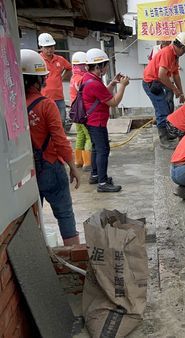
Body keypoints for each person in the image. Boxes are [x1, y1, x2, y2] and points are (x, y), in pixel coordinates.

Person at [21, 49, 81, 246]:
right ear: (38, 79)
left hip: (26, 173)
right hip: (50, 166)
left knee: (32, 220)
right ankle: (73, 256)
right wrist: (73, 167)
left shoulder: (14, 108)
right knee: (64, 214)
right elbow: (60, 140)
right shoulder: (46, 105)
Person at [83, 48, 130, 193]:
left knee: (97, 148)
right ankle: (102, 183)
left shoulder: (89, 78)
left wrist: (113, 83)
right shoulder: (94, 83)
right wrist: (122, 86)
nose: (107, 67)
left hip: (92, 120)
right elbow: (114, 102)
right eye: (105, 65)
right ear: (98, 67)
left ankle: (95, 175)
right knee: (103, 150)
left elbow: (102, 95)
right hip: (96, 121)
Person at [142, 32, 185, 149]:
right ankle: (163, 139)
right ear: (183, 48)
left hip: (160, 82)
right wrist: (174, 89)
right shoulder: (167, 53)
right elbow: (161, 75)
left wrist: (181, 92)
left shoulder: (175, 56)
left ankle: (168, 133)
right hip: (152, 83)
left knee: (169, 106)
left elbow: (176, 75)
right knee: (162, 109)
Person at [38, 33, 72, 130]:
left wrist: (62, 77)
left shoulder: (60, 59)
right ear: (41, 47)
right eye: (47, 47)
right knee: (46, 122)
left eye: (51, 47)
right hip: (44, 98)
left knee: (61, 121)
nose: (50, 49)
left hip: (59, 97)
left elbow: (69, 68)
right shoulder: (38, 59)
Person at [69, 51, 92, 172]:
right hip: (82, 112)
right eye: (85, 65)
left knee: (80, 135)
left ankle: (78, 161)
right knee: (89, 136)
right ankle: (87, 163)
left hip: (75, 112)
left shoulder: (73, 77)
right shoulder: (82, 79)